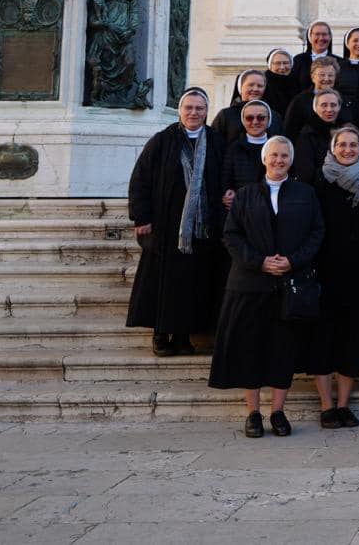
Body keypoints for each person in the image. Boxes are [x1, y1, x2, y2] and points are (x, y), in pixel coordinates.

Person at [209, 135, 324, 438]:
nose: (278, 160)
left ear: (291, 159)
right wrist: (259, 261)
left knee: (282, 350)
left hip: (289, 284)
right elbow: (231, 235)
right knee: (250, 349)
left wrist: (292, 261)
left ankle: (278, 412)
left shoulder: (305, 193)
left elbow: (317, 232)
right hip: (250, 284)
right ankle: (253, 413)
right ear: (264, 159)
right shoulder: (246, 195)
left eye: (284, 155)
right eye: (273, 155)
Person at [127, 88, 224, 357]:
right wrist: (141, 217)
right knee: (163, 282)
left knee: (192, 284)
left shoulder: (216, 141)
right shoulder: (162, 140)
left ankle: (183, 336)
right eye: (189, 108)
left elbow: (224, 177)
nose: (194, 113)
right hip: (166, 226)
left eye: (200, 109)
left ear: (207, 112)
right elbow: (141, 179)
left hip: (202, 229)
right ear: (180, 110)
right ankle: (160, 335)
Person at [305, 125, 359, 428]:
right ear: (332, 148)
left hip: (358, 273)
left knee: (352, 340)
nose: (348, 149)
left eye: (353, 144)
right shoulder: (318, 182)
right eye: (342, 144)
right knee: (323, 340)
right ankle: (326, 406)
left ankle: (345, 405)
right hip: (323, 272)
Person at [284, 56, 353, 141]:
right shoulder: (300, 101)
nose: (326, 79)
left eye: (330, 75)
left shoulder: (344, 101)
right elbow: (290, 131)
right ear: (313, 77)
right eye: (322, 75)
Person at [212, 70, 282, 146]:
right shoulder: (225, 116)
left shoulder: (274, 116)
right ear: (240, 88)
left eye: (260, 86)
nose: (255, 89)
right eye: (251, 85)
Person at [221, 99, 273, 201]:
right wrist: (228, 193)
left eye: (261, 118)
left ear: (268, 120)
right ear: (243, 121)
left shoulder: (276, 147)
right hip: (241, 206)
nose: (255, 122)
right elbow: (226, 180)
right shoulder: (234, 148)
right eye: (249, 118)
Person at [292, 89, 344, 182]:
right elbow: (305, 173)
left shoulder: (347, 131)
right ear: (315, 108)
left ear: (339, 107)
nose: (329, 109)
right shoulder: (308, 134)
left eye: (333, 105)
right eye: (324, 105)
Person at [290, 20, 334, 91]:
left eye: (324, 34)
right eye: (317, 34)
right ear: (310, 37)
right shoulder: (298, 60)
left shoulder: (339, 61)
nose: (321, 38)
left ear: (330, 37)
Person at [263, 48, 298, 118]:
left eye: (285, 63)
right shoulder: (263, 84)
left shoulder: (297, 82)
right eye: (277, 63)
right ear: (270, 66)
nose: (282, 67)